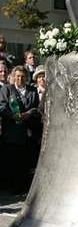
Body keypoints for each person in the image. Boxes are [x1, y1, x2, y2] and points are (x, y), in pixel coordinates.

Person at [0, 65, 40, 194]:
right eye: (17, 76)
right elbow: (2, 107)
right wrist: (13, 116)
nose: (20, 79)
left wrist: (29, 114)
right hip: (12, 133)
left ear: (27, 77)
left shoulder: (32, 91)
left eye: (23, 76)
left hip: (28, 133)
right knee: (13, 162)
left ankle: (25, 187)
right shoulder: (7, 89)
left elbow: (37, 108)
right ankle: (14, 188)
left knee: (26, 161)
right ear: (13, 77)